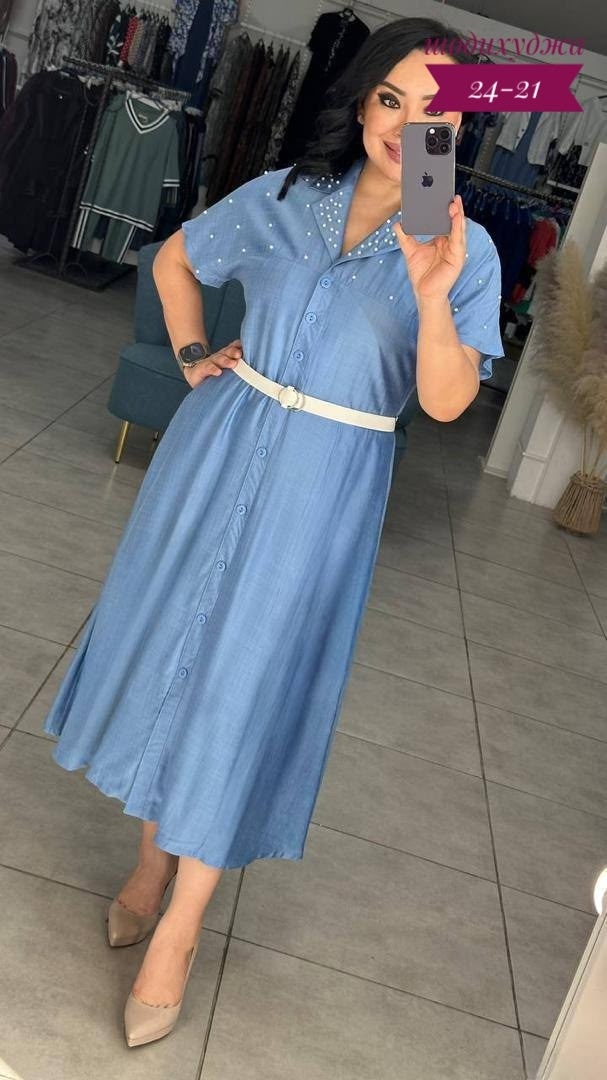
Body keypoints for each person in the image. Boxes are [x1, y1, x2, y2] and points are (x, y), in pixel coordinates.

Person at [42, 16, 504, 1048]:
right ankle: (151, 860)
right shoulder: (291, 194)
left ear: (461, 127)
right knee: (174, 647)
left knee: (244, 684)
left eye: (434, 111)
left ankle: (181, 928)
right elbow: (175, 261)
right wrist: (194, 352)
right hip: (218, 446)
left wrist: (433, 298)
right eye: (390, 98)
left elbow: (443, 403)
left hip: (324, 484)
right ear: (363, 100)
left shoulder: (462, 248)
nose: (406, 126)